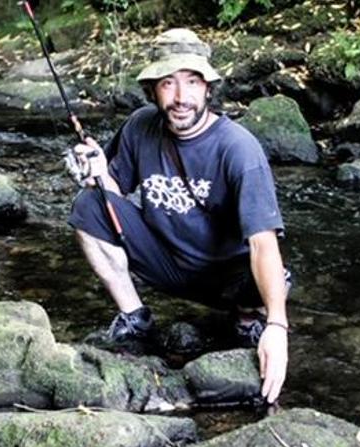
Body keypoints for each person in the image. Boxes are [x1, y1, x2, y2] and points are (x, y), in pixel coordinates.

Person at [67, 28, 291, 403]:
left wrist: (278, 327)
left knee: (271, 279)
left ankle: (248, 318)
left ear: (208, 88)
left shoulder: (238, 149)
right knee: (88, 204)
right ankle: (135, 318)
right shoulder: (140, 125)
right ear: (153, 89)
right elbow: (113, 195)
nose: (181, 97)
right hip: (166, 263)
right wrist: (96, 168)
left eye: (191, 82)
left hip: (227, 278)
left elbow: (263, 244)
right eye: (168, 83)